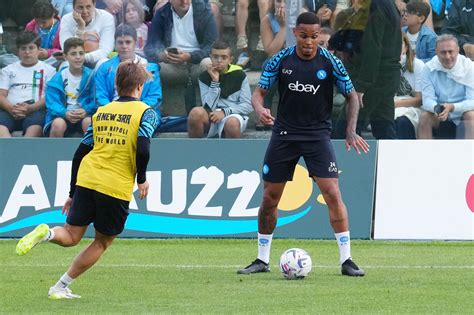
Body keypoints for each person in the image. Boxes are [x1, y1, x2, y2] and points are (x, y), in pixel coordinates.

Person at [237, 12, 369, 277]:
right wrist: (260, 109)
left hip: (317, 135)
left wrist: (351, 130)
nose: (309, 41)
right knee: (269, 198)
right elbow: (258, 93)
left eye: (314, 36)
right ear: (295, 33)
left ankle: (347, 260)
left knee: (332, 194)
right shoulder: (280, 59)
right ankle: (262, 259)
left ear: (319, 35)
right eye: (304, 36)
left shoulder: (330, 61)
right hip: (284, 134)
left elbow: (352, 96)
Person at [15, 60, 159, 299]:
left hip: (88, 178)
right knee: (102, 242)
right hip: (114, 184)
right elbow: (142, 148)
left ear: (116, 84)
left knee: (71, 235)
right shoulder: (146, 112)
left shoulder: (101, 112)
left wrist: (72, 193)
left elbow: (80, 152)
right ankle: (59, 287)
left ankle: (47, 234)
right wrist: (142, 179)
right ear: (140, 85)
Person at [332, 0, 402, 139]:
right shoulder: (387, 4)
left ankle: (341, 161)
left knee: (344, 129)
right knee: (384, 129)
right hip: (387, 75)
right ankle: (390, 160)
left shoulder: (374, 6)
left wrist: (361, 86)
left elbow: (372, 48)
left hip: (374, 78)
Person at [144, 0, 217, 113]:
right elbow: (149, 48)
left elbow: (212, 46)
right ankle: (154, 110)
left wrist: (189, 56)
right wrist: (162, 55)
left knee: (209, 64)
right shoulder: (162, 14)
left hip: (197, 63)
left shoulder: (203, 11)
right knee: (150, 69)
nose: (184, 1)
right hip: (172, 66)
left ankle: (209, 109)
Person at [187, 40, 252, 138]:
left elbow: (247, 106)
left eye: (224, 57)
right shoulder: (204, 77)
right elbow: (207, 106)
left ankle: (233, 153)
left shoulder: (240, 75)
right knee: (195, 114)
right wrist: (215, 82)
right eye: (215, 57)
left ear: (230, 59)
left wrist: (224, 112)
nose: (219, 61)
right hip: (211, 114)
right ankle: (194, 151)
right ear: (210, 57)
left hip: (233, 114)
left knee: (232, 124)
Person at [95, 24, 162, 116]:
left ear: (135, 42)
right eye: (120, 42)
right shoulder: (104, 68)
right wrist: (113, 110)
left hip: (141, 113)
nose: (124, 46)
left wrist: (135, 110)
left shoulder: (150, 68)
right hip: (112, 113)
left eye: (128, 42)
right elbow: (100, 96)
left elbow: (155, 97)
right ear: (115, 44)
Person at [0, 31, 56, 137]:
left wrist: (32, 108)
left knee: (35, 129)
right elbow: (1, 95)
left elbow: (50, 96)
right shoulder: (8, 70)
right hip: (10, 110)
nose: (27, 52)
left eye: (31, 48)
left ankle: (22, 152)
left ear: (39, 50)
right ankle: (9, 152)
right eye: (23, 48)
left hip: (37, 111)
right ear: (18, 51)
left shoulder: (49, 70)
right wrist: (11, 108)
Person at [418, 34, 474, 139]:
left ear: (457, 50)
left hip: (462, 113)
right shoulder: (428, 68)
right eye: (443, 52)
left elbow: (472, 101)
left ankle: (471, 154)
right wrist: (438, 108)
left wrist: (452, 107)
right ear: (436, 52)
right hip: (439, 113)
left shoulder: (470, 67)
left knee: (471, 116)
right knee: (424, 117)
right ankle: (424, 154)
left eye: (451, 51)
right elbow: (427, 100)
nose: (447, 56)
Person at [44, 38, 96, 137]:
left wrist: (86, 110)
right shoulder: (58, 77)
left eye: (81, 53)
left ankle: (90, 152)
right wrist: (64, 113)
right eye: (73, 54)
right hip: (62, 115)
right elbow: (52, 102)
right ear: (65, 56)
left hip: (85, 114)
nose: (78, 57)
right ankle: (54, 152)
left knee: (89, 123)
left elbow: (96, 99)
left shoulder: (91, 76)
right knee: (58, 124)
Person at [59, 0, 115, 67]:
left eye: (88, 7)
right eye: (80, 7)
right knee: (65, 65)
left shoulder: (106, 17)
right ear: (73, 8)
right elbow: (66, 48)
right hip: (73, 61)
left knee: (104, 63)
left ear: (94, 5)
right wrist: (81, 27)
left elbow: (105, 50)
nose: (85, 12)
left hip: (96, 60)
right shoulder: (66, 19)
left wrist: (81, 58)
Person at [394, 33, 424, 139]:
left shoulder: (418, 65)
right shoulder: (381, 65)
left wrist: (394, 104)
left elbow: (419, 100)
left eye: (398, 44)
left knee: (402, 121)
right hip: (388, 106)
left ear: (406, 47)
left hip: (411, 107)